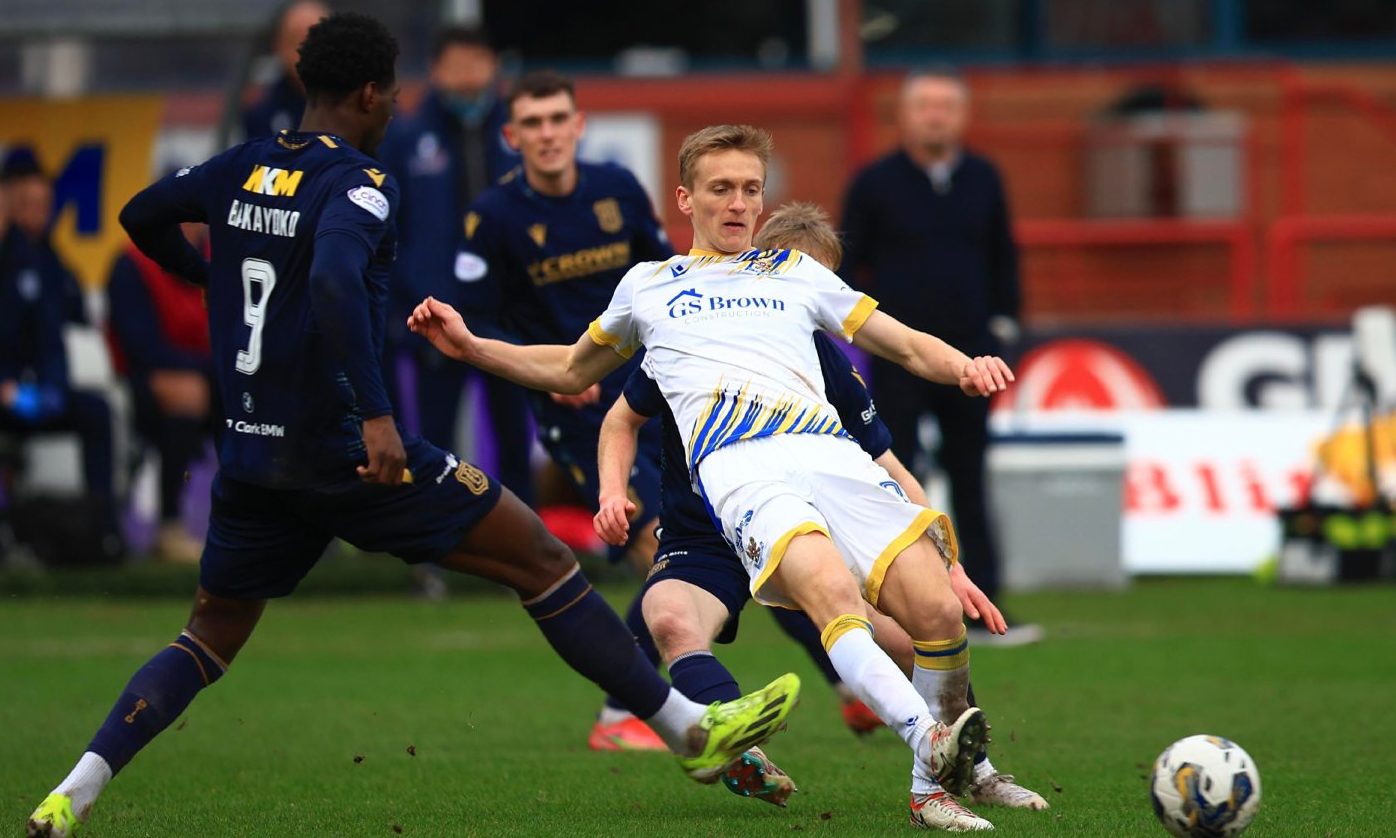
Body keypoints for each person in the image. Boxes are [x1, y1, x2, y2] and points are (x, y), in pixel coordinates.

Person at [25, 17, 798, 838]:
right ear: (367, 93)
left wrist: (214, 277)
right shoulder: (360, 183)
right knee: (541, 561)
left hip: (253, 459)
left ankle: (72, 791)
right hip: (347, 452)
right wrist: (379, 417)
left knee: (208, 635)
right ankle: (686, 730)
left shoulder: (242, 165)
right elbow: (330, 280)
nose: (397, 104)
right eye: (392, 90)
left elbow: (143, 213)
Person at [409, 123, 1017, 831]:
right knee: (791, 598)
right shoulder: (652, 286)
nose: (737, 204)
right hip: (742, 472)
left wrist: (964, 365)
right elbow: (572, 371)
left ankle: (936, 787)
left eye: (750, 190)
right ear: (685, 198)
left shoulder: (796, 276)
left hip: (830, 457)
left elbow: (901, 341)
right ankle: (916, 738)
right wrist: (472, 346)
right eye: (721, 189)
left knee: (936, 617)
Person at [594, 201, 1047, 812]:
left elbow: (888, 468)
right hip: (705, 529)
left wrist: (952, 568)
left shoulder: (828, 368)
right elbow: (619, 417)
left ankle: (972, 769)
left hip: (804, 515)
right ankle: (735, 749)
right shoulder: (688, 332)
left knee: (916, 632)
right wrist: (611, 490)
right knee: (670, 617)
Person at [449, 69, 676, 751]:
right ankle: (627, 712)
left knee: (696, 543)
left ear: (579, 126)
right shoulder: (492, 216)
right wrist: (552, 374)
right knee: (663, 550)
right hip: (573, 409)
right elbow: (477, 319)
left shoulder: (617, 190)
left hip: (647, 392)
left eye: (558, 119)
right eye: (533, 123)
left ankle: (847, 691)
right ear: (512, 136)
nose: (547, 133)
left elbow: (662, 274)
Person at [840, 68, 1039, 646]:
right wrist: (861, 338)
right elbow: (847, 265)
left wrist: (1003, 327)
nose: (935, 115)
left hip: (970, 363)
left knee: (970, 477)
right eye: (924, 105)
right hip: (899, 360)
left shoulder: (984, 179)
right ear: (904, 115)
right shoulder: (874, 183)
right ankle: (910, 605)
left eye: (946, 106)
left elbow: (1004, 256)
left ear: (963, 115)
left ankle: (988, 606)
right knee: (898, 480)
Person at [376, 25, 532, 500]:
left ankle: (528, 554)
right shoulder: (405, 136)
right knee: (434, 440)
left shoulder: (520, 133)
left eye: (477, 61)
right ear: (437, 70)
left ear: (494, 67)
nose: (468, 74)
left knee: (514, 438)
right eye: (456, 63)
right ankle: (436, 553)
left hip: (505, 317)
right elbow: (388, 226)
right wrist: (411, 298)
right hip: (436, 315)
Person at [0, 156, 123, 562]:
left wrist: (52, 387)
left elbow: (51, 337)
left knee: (95, 411)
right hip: (5, 392)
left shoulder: (43, 260)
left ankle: (101, 531)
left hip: (30, 391)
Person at [105, 223, 214, 564]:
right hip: (144, 383)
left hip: (211, 376)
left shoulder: (223, 257)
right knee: (185, 397)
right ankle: (169, 527)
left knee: (261, 396)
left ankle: (270, 519)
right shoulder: (132, 263)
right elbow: (140, 348)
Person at [240, 0, 330, 140]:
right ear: (278, 46)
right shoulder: (262, 111)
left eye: (316, 39)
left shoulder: (359, 105)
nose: (306, 51)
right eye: (296, 41)